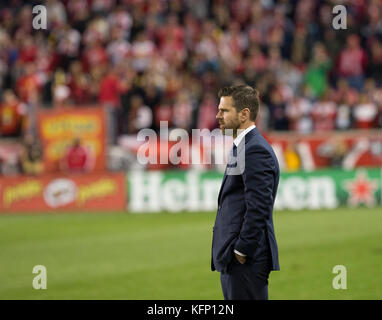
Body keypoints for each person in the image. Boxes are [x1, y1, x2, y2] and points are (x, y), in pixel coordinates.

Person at [211, 85, 280, 300]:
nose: (217, 116)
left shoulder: (254, 150)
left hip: (247, 260)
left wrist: (241, 250)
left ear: (244, 114)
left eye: (224, 111)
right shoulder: (243, 147)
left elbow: (259, 206)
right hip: (236, 259)